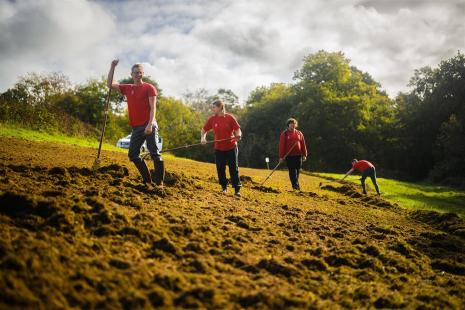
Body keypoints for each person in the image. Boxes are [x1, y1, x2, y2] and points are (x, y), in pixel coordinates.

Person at [107, 59, 164, 185]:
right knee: (133, 154)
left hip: (149, 125)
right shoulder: (128, 88)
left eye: (140, 72)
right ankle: (147, 181)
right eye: (136, 73)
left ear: (143, 74)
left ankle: (159, 184)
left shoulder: (149, 87)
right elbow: (110, 84)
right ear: (131, 74)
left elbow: (153, 107)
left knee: (154, 152)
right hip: (136, 127)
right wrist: (112, 67)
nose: (138, 75)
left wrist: (150, 125)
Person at [201, 100, 242, 196]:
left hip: (231, 146)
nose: (212, 109)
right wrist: (203, 138)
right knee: (220, 168)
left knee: (233, 168)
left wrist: (238, 135)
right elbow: (204, 130)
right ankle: (224, 187)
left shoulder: (230, 117)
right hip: (219, 148)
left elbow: (237, 130)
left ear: (220, 107)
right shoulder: (212, 119)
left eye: (214, 107)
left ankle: (237, 189)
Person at [279, 118, 308, 190]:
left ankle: (295, 184)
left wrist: (304, 154)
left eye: (294, 124)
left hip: (298, 155)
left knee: (297, 170)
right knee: (292, 170)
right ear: (288, 125)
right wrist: (281, 157)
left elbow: (303, 144)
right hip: (289, 156)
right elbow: (282, 146)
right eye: (291, 124)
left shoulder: (299, 133)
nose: (292, 126)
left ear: (296, 125)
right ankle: (295, 186)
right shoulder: (284, 134)